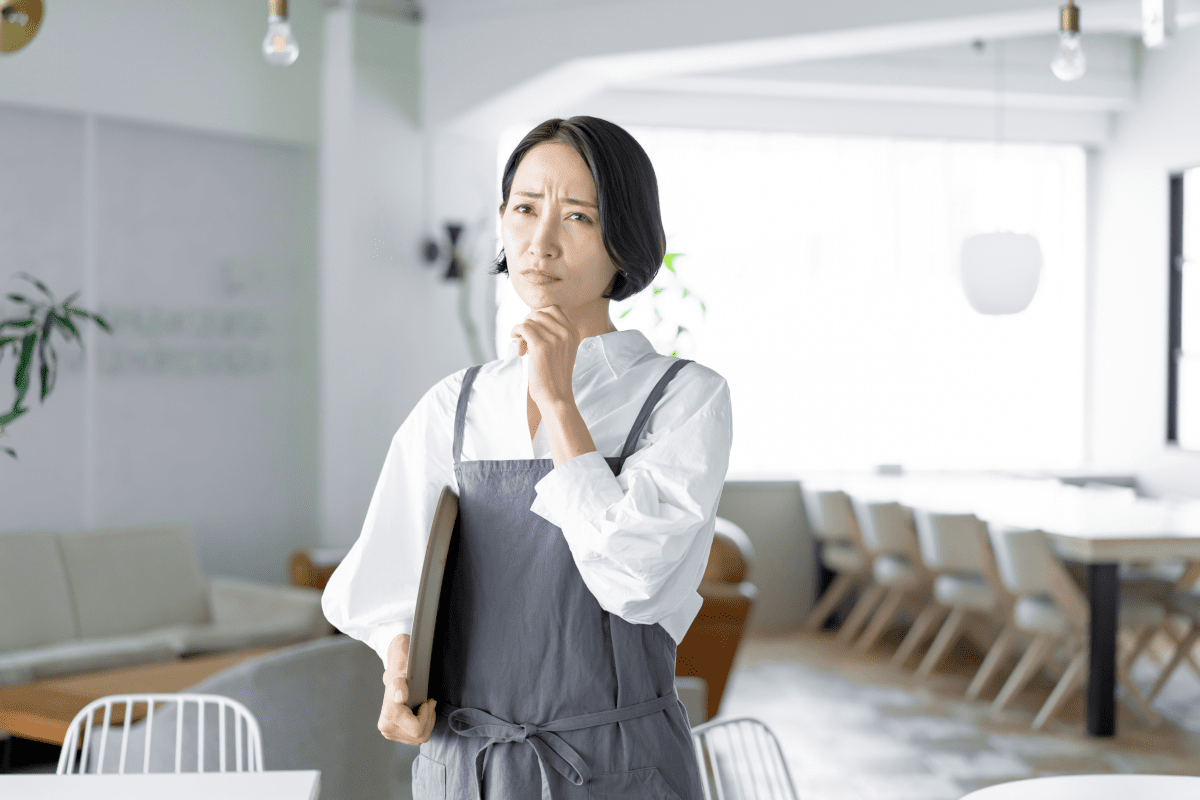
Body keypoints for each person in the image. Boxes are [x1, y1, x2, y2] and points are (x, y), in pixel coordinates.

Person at [321, 115, 733, 800]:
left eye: (577, 216)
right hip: (469, 767)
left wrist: (558, 401)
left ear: (626, 237)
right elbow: (387, 582)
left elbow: (637, 583)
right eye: (524, 209)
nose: (540, 243)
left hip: (620, 768)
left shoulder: (683, 397)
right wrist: (399, 670)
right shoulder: (455, 405)